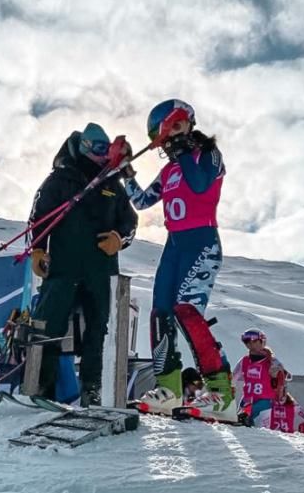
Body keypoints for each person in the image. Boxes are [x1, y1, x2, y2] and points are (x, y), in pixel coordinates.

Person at [121, 99, 233, 420]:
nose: (169, 140)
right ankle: (168, 389)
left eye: (175, 129)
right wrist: (127, 173)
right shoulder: (169, 169)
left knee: (187, 311)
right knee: (161, 313)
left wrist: (185, 151)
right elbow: (142, 201)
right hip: (174, 246)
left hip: (202, 242)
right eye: (164, 136)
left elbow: (199, 185)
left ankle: (221, 393)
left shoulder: (208, 155)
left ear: (187, 124)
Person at [29, 122, 138, 407]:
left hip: (100, 270)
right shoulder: (60, 180)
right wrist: (38, 249)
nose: (104, 155)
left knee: (98, 329)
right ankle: (42, 388)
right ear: (83, 147)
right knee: (48, 325)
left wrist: (119, 237)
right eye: (98, 148)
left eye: (107, 149)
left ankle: (93, 389)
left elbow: (130, 222)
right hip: (63, 267)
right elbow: (38, 216)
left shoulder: (112, 184)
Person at [233, 328, 287, 428]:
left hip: (265, 402)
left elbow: (283, 380)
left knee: (260, 432)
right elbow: (233, 379)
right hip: (247, 401)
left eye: (254, 340)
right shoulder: (244, 361)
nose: (250, 344)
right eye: (246, 341)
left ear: (262, 341)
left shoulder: (272, 362)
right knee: (240, 428)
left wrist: (276, 376)